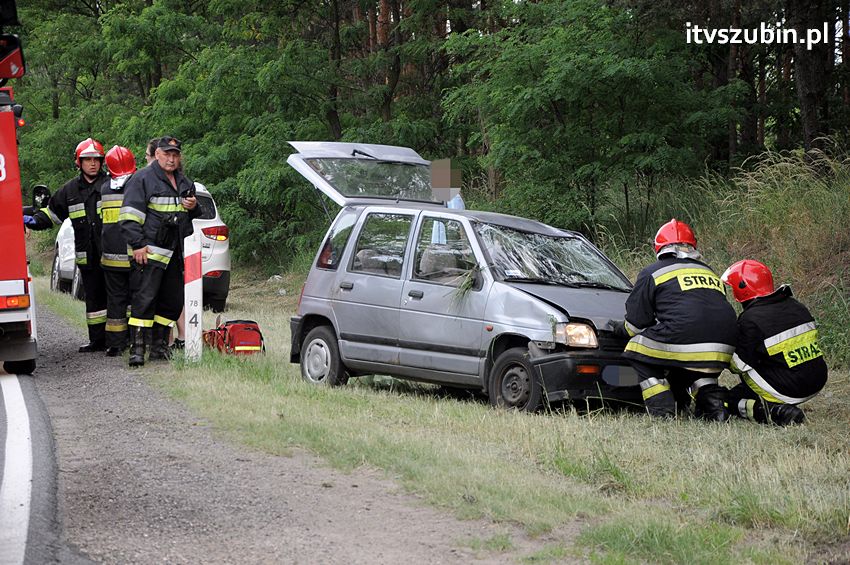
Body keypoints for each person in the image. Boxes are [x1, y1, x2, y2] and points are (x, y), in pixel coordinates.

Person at [612, 219, 737, 420]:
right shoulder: (710, 272)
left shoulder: (652, 272)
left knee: (636, 349)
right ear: (692, 246)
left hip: (688, 338)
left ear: (659, 247)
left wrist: (618, 329)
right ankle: (715, 408)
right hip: (725, 346)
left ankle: (663, 411)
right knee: (697, 369)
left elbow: (636, 324)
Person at [119, 136, 199, 367]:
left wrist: (194, 207)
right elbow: (129, 216)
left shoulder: (184, 181)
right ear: (157, 155)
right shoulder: (142, 179)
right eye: (167, 154)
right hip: (149, 252)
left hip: (175, 253)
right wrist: (138, 245)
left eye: (175, 155)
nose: (171, 159)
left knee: (171, 302)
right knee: (144, 300)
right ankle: (137, 350)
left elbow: (192, 216)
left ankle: (159, 347)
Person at [25, 138, 109, 352]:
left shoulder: (111, 186)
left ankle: (119, 341)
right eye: (87, 159)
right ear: (78, 163)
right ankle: (98, 341)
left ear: (102, 162)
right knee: (93, 299)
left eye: (96, 159)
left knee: (118, 297)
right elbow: (52, 214)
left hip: (112, 255)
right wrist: (31, 220)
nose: (92, 163)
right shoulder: (69, 191)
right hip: (87, 256)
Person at [720, 259, 827, 425]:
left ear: (741, 289)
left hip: (789, 389)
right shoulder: (796, 306)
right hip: (817, 380)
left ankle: (775, 412)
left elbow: (737, 365)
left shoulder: (750, 319)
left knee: (731, 400)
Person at [100, 145, 137, 356]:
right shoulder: (137, 186)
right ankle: (136, 340)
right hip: (133, 255)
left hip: (111, 258)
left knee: (115, 301)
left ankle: (115, 344)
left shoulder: (105, 188)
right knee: (135, 300)